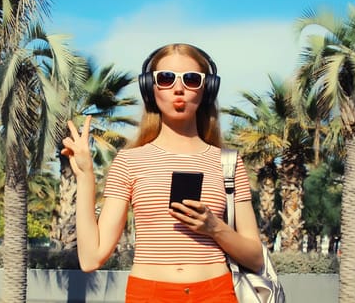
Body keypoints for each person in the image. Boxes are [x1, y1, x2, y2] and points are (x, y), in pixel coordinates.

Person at [61, 43, 263, 302]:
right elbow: (91, 258)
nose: (178, 88)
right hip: (148, 293)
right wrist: (86, 177)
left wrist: (214, 227)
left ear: (207, 89)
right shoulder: (129, 161)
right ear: (150, 88)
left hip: (216, 292)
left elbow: (255, 257)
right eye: (166, 78)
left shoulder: (229, 162)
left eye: (191, 79)